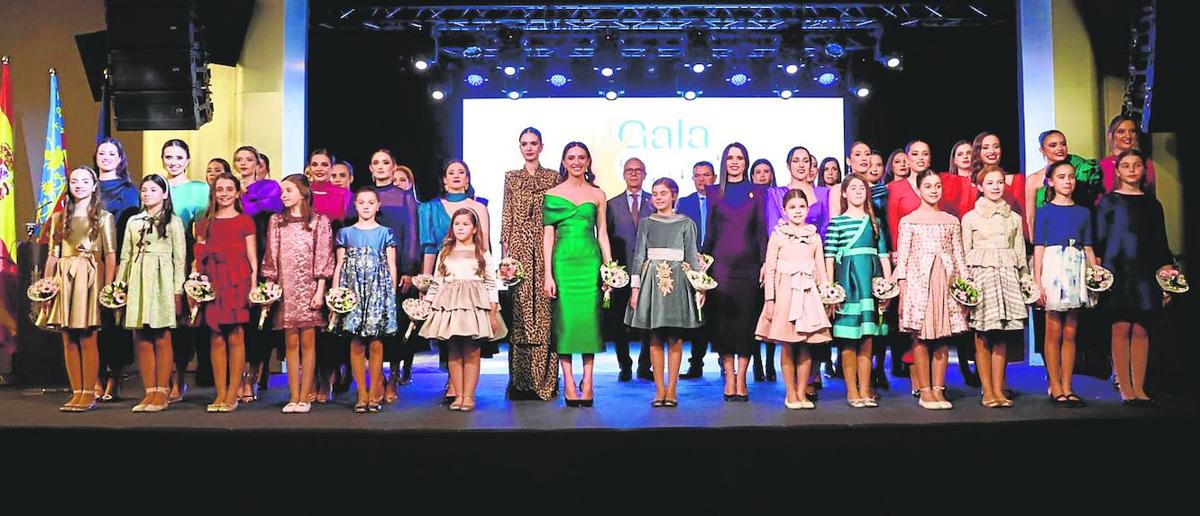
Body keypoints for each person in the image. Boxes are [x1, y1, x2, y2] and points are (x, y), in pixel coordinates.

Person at [1095, 149, 1172, 406]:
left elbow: (1160, 242)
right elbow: (1099, 240)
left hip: (1144, 270)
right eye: (1125, 165)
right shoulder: (1108, 202)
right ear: (1117, 171)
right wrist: (1098, 271)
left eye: (1136, 165)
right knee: (1120, 327)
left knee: (1141, 328)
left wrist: (1165, 272)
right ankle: (1125, 387)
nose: (1131, 170)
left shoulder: (1153, 204)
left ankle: (1139, 387)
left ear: (1143, 170)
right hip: (1118, 270)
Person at [37, 166, 117, 411]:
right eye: (74, 181)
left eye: (84, 181)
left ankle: (90, 391)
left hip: (89, 278)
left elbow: (111, 255)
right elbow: (53, 255)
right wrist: (47, 285)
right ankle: (76, 391)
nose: (79, 185)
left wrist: (107, 287)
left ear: (94, 186)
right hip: (65, 278)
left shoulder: (104, 218)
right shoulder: (60, 219)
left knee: (87, 335)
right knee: (68, 336)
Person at [543, 142, 613, 407]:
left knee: (589, 323)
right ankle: (569, 383)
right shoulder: (551, 193)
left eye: (581, 157)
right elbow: (548, 237)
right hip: (563, 263)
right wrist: (548, 274)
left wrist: (609, 269)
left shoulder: (598, 194)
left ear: (588, 161)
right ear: (563, 161)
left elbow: (602, 234)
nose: (576, 162)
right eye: (571, 157)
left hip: (589, 262)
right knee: (566, 324)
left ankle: (589, 382)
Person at [894, 171, 970, 410]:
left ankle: (939, 388)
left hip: (945, 283)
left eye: (937, 185)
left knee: (943, 338)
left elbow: (959, 256)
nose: (934, 190)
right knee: (921, 337)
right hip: (919, 284)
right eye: (928, 186)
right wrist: (902, 290)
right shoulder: (909, 221)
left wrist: (966, 287)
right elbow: (903, 260)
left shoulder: (951, 220)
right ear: (919, 189)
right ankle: (924, 389)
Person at [626, 178, 704, 408]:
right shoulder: (646, 223)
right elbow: (639, 255)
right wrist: (635, 288)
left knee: (675, 337)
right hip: (652, 282)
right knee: (655, 336)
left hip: (678, 281)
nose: (658, 197)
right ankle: (659, 389)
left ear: (673, 195)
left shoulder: (686, 223)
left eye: (663, 193)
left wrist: (699, 286)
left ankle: (672, 390)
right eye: (655, 193)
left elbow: (692, 256)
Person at [419, 208, 507, 412]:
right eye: (457, 224)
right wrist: (427, 303)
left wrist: (493, 312)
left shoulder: (482, 253)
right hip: (450, 306)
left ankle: (469, 396)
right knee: (454, 350)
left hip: (474, 305)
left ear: (475, 228)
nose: (460, 227)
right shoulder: (445, 251)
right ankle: (458, 395)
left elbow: (490, 283)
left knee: (472, 350)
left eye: (465, 224)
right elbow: (437, 281)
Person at [261, 174, 334, 413]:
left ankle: (306, 395)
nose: (284, 194)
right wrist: (271, 285)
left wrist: (320, 290)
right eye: (283, 190)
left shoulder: (318, 221)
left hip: (309, 287)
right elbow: (271, 255)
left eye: (289, 190)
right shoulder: (276, 221)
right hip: (287, 288)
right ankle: (293, 395)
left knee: (308, 341)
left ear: (302, 192)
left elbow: (323, 256)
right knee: (290, 342)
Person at [702, 142, 767, 402]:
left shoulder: (758, 191)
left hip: (749, 267)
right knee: (724, 325)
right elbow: (711, 231)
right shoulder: (714, 192)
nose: (735, 162)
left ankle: (742, 378)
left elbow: (761, 230)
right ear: (724, 162)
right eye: (730, 157)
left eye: (740, 157)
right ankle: (729, 376)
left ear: (746, 161)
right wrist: (702, 263)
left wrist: (765, 264)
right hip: (721, 267)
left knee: (745, 323)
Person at [756, 189, 832, 409]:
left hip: (808, 293)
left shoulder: (814, 236)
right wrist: (770, 300)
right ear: (784, 210)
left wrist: (826, 294)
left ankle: (801, 392)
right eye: (792, 207)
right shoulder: (778, 234)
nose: (797, 211)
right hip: (786, 293)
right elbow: (770, 269)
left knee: (807, 345)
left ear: (807, 209)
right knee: (789, 345)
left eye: (801, 207)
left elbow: (820, 269)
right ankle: (790, 392)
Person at [962, 167, 1029, 408]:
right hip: (982, 278)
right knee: (983, 335)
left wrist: (1025, 279)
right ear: (980, 187)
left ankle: (999, 389)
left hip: (1006, 277)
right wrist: (965, 285)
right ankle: (987, 390)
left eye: (999, 182)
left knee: (1001, 334)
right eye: (990, 183)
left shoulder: (1014, 218)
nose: (995, 186)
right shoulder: (970, 217)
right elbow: (964, 251)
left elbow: (1019, 251)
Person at [119, 174, 187, 413]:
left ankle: (162, 390)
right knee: (142, 335)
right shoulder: (133, 221)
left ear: (164, 194)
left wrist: (178, 291)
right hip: (138, 278)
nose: (147, 193)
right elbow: (125, 256)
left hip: (162, 280)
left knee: (162, 334)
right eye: (144, 189)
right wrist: (121, 286)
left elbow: (180, 260)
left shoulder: (173, 222)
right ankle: (148, 390)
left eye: (153, 190)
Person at [502, 127, 561, 401]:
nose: (529, 147)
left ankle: (545, 381)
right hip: (519, 252)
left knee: (546, 316)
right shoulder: (511, 178)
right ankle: (520, 381)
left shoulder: (553, 177)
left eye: (533, 143)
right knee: (522, 315)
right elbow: (507, 218)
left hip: (548, 248)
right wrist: (506, 259)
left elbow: (557, 219)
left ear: (541, 146)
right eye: (524, 143)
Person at [1032, 160, 1097, 408]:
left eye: (1070, 177)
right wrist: (1037, 279)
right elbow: (1039, 246)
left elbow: (1088, 246)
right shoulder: (1045, 211)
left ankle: (1068, 385)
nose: (1067, 181)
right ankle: (1055, 384)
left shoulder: (1083, 212)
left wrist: (1095, 275)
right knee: (1053, 330)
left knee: (1071, 332)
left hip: (1075, 266)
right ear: (1051, 181)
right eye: (1061, 177)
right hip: (1053, 266)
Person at [825, 175, 893, 407]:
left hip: (870, 282)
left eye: (861, 188)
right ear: (844, 193)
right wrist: (830, 288)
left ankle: (865, 388)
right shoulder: (837, 223)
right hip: (849, 282)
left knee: (867, 337)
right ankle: (851, 389)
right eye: (852, 188)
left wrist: (887, 286)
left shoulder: (875, 223)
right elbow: (830, 257)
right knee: (848, 339)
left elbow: (883, 256)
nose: (857, 192)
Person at [193, 173, 256, 412]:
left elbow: (252, 258)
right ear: (214, 193)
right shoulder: (205, 223)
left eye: (229, 189)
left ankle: (233, 392)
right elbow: (198, 257)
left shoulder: (245, 221)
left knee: (236, 335)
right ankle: (220, 393)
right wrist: (197, 284)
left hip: (237, 280)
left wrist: (252, 286)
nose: (225, 193)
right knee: (216, 337)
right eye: (220, 189)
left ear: (237, 192)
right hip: (213, 281)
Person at [333, 188, 399, 413]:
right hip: (353, 290)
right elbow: (339, 265)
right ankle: (361, 393)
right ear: (355, 205)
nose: (366, 206)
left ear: (378, 205)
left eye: (371, 202)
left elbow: (391, 265)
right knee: (356, 341)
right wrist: (336, 294)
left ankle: (374, 392)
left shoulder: (386, 233)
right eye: (361, 202)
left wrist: (390, 294)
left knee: (377, 341)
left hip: (378, 290)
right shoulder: (345, 233)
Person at [161, 140, 209, 403]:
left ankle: (178, 378)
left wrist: (196, 264)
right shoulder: (158, 185)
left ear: (188, 160)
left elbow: (201, 230)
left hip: (187, 253)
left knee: (182, 321)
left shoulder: (200, 189)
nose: (174, 162)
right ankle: (161, 379)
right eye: (169, 157)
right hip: (158, 256)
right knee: (161, 319)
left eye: (179, 157)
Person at [95, 138, 139, 403]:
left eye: (112, 153)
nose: (106, 157)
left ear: (120, 158)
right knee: (90, 321)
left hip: (117, 258)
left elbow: (127, 229)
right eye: (102, 153)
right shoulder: (86, 184)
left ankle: (114, 375)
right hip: (89, 260)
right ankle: (94, 375)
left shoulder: (128, 190)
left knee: (113, 320)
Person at [605, 157, 654, 382]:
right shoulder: (611, 204)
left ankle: (645, 366)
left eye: (638, 171)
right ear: (623, 174)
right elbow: (604, 237)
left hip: (648, 270)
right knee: (618, 323)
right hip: (620, 272)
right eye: (629, 170)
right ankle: (624, 365)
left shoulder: (655, 202)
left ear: (645, 174)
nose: (634, 174)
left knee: (649, 322)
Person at [676, 161, 715, 379]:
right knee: (697, 316)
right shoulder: (684, 202)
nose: (702, 179)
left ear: (714, 177)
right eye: (697, 175)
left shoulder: (721, 199)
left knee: (717, 315)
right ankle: (696, 363)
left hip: (719, 261)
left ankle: (723, 361)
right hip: (692, 263)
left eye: (706, 175)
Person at [1100, 115, 1157, 198]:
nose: (1128, 136)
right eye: (1121, 131)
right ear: (1111, 135)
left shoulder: (1146, 163)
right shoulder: (1103, 165)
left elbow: (1151, 196)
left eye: (1132, 131)